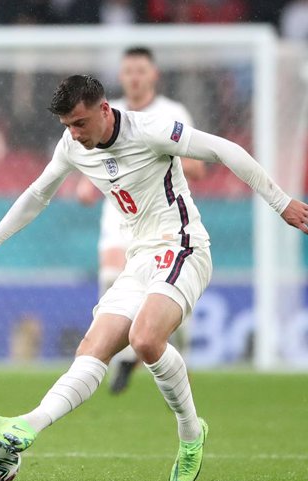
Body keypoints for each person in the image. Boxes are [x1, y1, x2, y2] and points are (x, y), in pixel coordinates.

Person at [0, 75, 308, 481]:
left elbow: (225, 150)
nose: (73, 134)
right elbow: (38, 194)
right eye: (66, 126)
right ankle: (28, 424)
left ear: (103, 110)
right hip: (140, 259)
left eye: (79, 123)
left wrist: (281, 202)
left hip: (184, 247)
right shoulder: (72, 146)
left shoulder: (149, 130)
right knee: (92, 348)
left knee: (145, 340)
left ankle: (190, 432)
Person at [76, 46, 206, 394]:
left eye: (141, 70)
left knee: (165, 301)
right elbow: (97, 162)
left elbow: (198, 164)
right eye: (128, 71)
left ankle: (165, 361)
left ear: (154, 75)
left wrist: (159, 154)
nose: (134, 77)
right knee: (111, 279)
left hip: (161, 217)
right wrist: (86, 187)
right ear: (121, 77)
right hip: (120, 215)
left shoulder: (171, 112)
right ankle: (122, 359)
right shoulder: (106, 114)